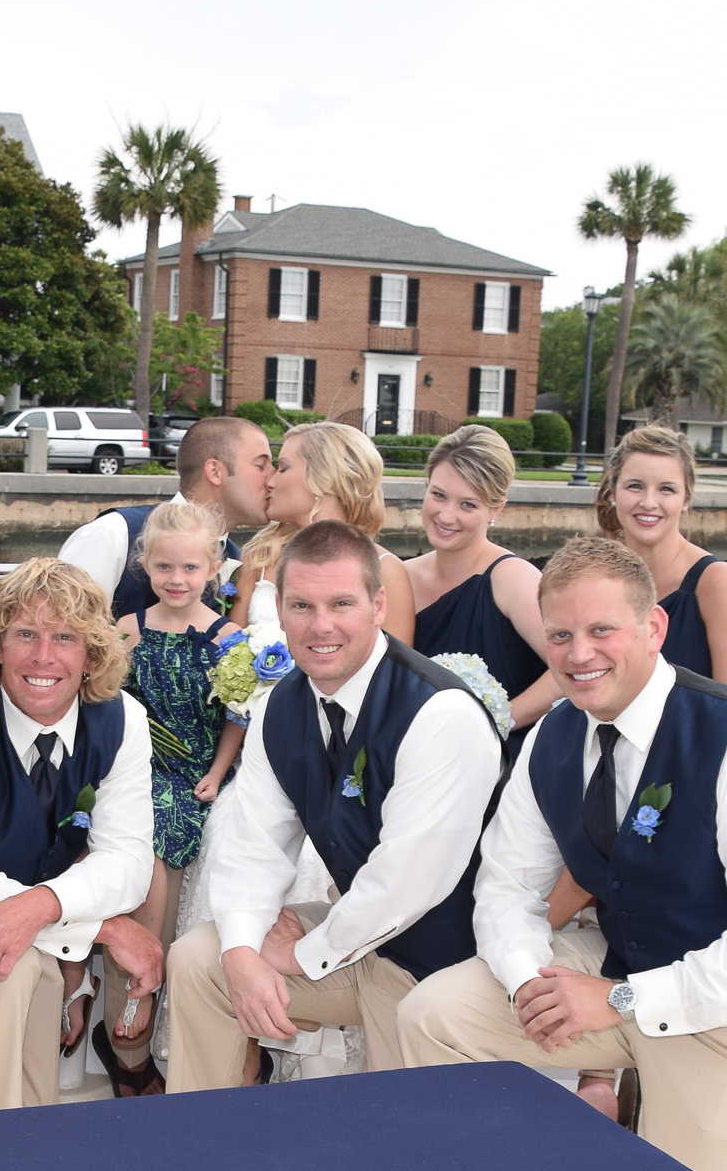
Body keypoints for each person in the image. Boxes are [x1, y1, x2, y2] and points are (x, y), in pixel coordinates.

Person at [396, 536, 727, 1171]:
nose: (578, 654)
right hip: (620, 972)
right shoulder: (554, 735)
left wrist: (616, 999)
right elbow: (506, 887)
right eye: (561, 634)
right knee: (433, 1015)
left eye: (602, 629)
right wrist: (526, 983)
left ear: (653, 627)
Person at [169, 521, 500, 1089]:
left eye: (341, 603)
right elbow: (254, 845)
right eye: (301, 605)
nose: (320, 626)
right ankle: (205, 1146)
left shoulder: (440, 713)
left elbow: (406, 884)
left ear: (378, 606)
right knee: (202, 961)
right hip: (354, 936)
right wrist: (245, 953)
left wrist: (301, 956)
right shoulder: (280, 707)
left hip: (443, 958)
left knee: (403, 1140)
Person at [0, 558, 162, 1111]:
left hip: (36, 916)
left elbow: (129, 864)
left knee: (27, 962)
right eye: (25, 634)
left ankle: (18, 1134)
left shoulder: (124, 721)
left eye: (65, 637)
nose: (43, 657)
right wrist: (105, 931)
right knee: (8, 965)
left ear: (92, 655)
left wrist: (48, 911)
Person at [94, 499, 246, 1094]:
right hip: (140, 769)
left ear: (213, 568)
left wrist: (217, 770)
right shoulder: (127, 629)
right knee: (148, 820)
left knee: (172, 814)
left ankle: (151, 978)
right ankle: (140, 974)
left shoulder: (227, 637)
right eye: (163, 569)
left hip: (200, 770)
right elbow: (102, 703)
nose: (176, 581)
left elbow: (240, 713)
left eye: (189, 569)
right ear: (145, 567)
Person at [591, 423, 727, 696]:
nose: (649, 502)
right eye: (635, 486)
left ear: (686, 498)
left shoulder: (719, 583)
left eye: (666, 489)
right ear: (613, 493)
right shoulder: (597, 579)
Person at [404, 425, 552, 738]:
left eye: (467, 504)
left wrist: (497, 722)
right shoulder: (401, 576)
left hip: (500, 764)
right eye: (438, 495)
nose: (446, 515)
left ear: (496, 509)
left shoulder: (514, 579)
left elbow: (568, 667)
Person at [57, 415, 269, 613]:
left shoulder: (239, 564)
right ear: (215, 472)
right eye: (261, 465)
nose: (273, 478)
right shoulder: (115, 533)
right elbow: (58, 629)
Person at [230, 421, 416, 645]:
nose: (270, 481)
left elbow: (395, 670)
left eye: (283, 468)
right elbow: (231, 651)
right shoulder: (259, 557)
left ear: (325, 478)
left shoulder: (386, 569)